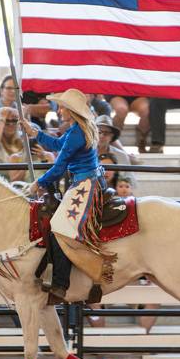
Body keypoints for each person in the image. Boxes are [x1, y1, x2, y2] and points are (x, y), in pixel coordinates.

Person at [20, 88, 105, 299]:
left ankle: (60, 282)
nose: (58, 111)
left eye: (61, 108)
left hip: (86, 184)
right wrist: (35, 133)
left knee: (61, 227)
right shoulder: (77, 129)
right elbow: (57, 145)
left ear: (70, 110)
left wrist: (38, 182)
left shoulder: (77, 132)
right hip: (85, 181)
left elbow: (59, 167)